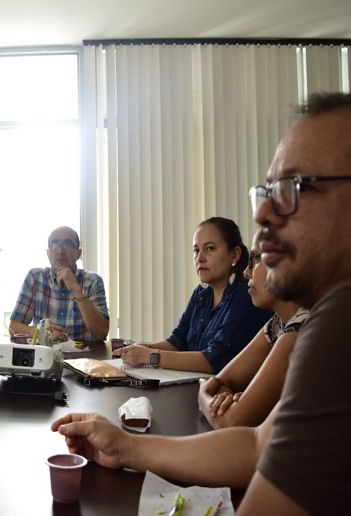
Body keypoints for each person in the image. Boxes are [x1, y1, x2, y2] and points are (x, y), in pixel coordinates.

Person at [50, 91, 351, 514]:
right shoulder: (318, 316)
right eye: (267, 192)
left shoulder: (334, 324)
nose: (262, 214)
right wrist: (125, 446)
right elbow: (255, 446)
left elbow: (215, 370)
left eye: (294, 187)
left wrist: (152, 359)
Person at [115, 217, 272, 374]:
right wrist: (139, 349)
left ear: (234, 255)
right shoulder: (202, 293)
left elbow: (214, 360)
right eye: (196, 250)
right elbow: (177, 342)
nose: (200, 258)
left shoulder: (246, 295)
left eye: (210, 248)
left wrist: (150, 356)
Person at [198, 234, 308, 428]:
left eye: (255, 259)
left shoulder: (301, 329)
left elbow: (231, 421)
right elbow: (223, 380)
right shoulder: (278, 324)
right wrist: (225, 398)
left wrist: (203, 397)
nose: (246, 272)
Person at [9, 226, 109, 343]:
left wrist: (76, 289)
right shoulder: (36, 278)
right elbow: (13, 328)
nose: (60, 251)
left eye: (67, 244)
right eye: (54, 245)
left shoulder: (92, 281)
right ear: (48, 253)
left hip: (84, 353)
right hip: (44, 353)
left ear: (79, 253)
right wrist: (39, 332)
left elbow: (101, 333)